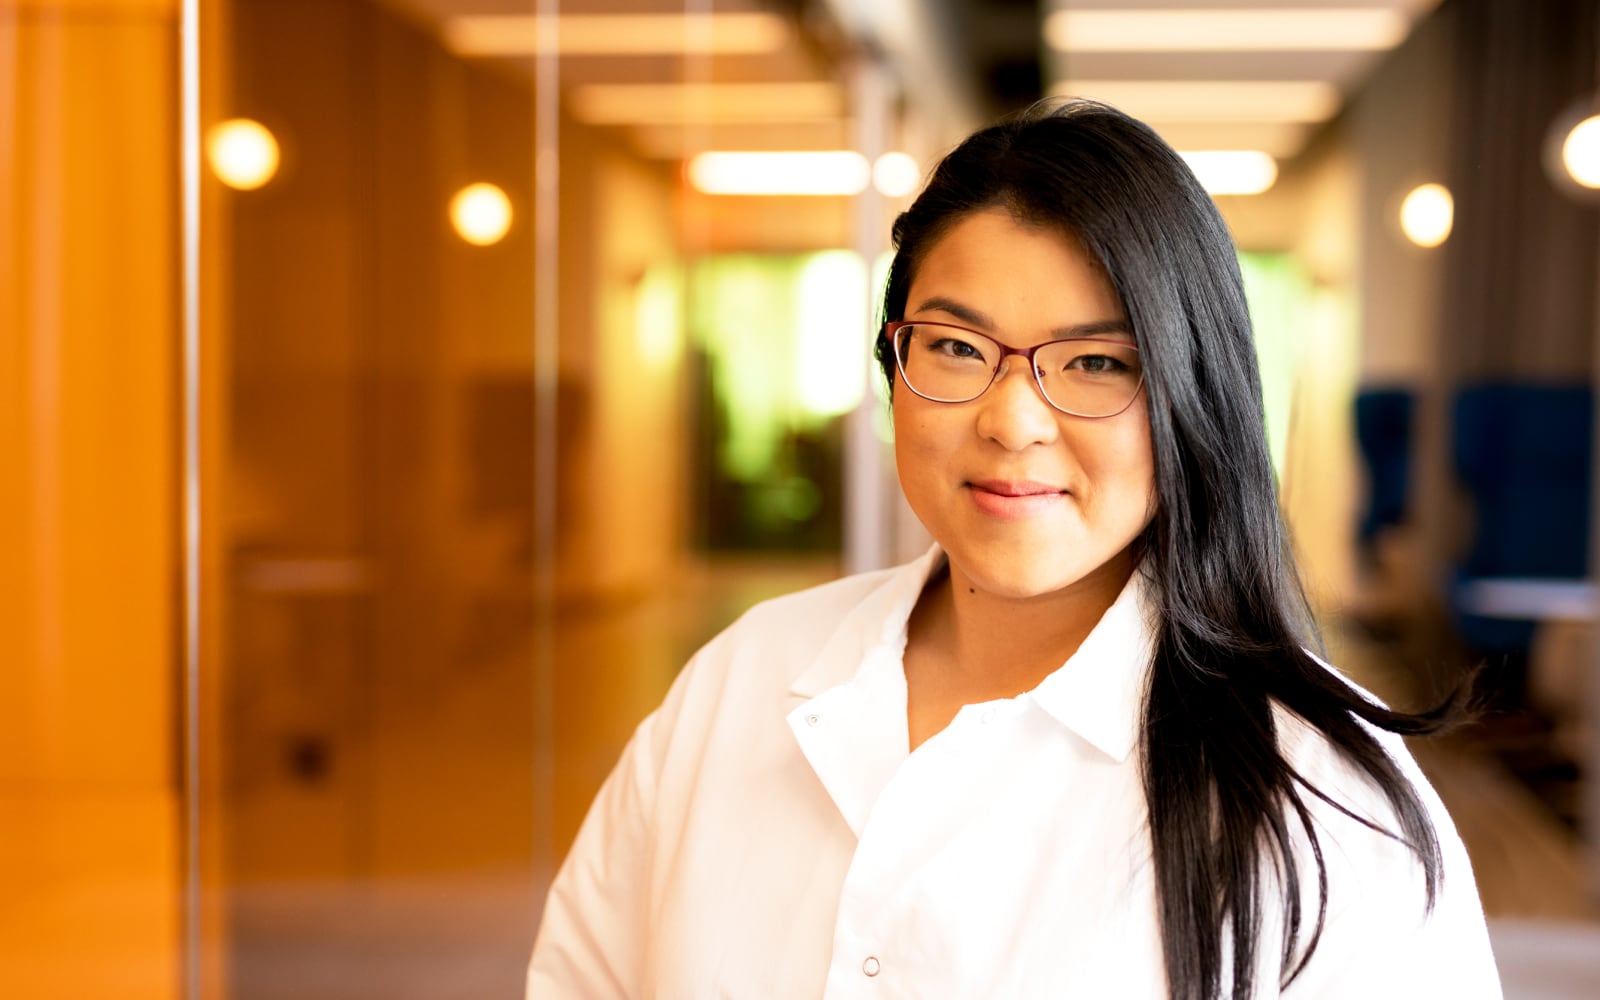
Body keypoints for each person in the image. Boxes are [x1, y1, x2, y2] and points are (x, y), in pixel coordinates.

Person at [527, 101, 1502, 999]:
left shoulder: (1325, 797)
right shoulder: (740, 681)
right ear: (892, 364)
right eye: (954, 347)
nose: (1012, 419)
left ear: (1189, 397)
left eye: (1095, 362)